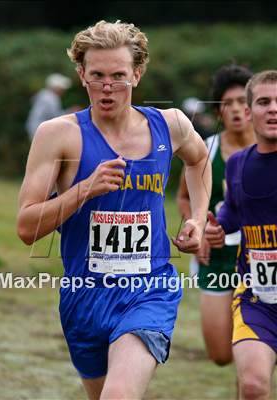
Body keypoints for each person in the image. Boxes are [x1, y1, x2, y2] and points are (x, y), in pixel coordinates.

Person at [17, 20, 211, 400]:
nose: (108, 86)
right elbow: (26, 227)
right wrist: (83, 190)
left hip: (148, 289)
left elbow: (199, 160)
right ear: (81, 75)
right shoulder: (58, 134)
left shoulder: (170, 125)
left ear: (137, 75)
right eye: (98, 75)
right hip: (84, 294)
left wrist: (197, 219)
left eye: (119, 75)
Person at [205, 70, 277, 400]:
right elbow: (232, 213)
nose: (273, 109)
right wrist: (216, 229)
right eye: (263, 102)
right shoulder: (237, 164)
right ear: (249, 112)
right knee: (252, 385)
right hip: (256, 298)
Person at [177, 65, 255, 366]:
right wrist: (195, 226)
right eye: (228, 103)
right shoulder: (206, 150)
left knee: (252, 356)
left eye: (242, 102)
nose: (236, 110)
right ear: (219, 111)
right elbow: (184, 197)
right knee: (222, 355)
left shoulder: (270, 149)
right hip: (218, 258)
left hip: (263, 258)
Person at [25, 73, 72, 139]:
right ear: (56, 87)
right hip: (40, 130)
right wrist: (71, 113)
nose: (63, 90)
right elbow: (55, 116)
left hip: (36, 128)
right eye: (62, 88)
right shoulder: (51, 98)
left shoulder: (44, 95)